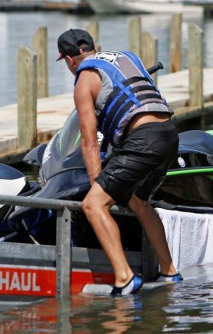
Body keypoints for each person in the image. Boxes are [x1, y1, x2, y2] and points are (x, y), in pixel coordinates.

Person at [56, 28, 182, 296]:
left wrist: (96, 186)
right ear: (93, 47)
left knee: (93, 205)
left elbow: (89, 141)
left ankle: (124, 278)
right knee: (138, 201)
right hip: (170, 135)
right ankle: (170, 272)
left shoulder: (83, 80)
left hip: (142, 140)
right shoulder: (128, 57)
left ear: (68, 60)